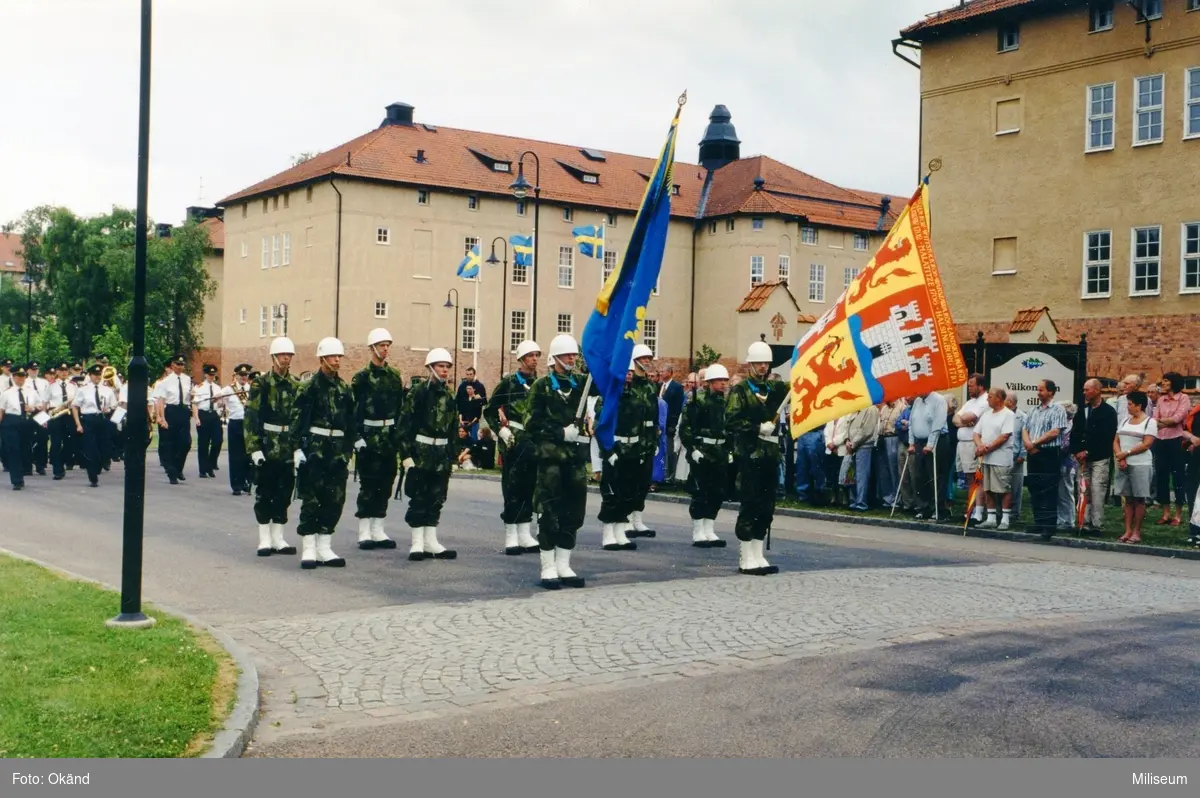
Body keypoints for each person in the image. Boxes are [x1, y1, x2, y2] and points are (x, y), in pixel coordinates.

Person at [527, 333, 594, 589]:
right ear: (555, 358)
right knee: (549, 512)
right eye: (567, 355)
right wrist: (559, 433)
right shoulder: (542, 387)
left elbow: (606, 386)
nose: (572, 358)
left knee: (573, 511)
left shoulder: (581, 384)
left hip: (574, 461)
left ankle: (564, 563)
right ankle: (548, 566)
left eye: (574, 355)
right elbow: (531, 424)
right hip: (551, 460)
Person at [292, 337, 356, 569]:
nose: (337, 360)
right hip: (316, 448)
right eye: (332, 357)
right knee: (311, 497)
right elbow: (297, 420)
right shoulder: (308, 387)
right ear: (322, 359)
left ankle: (325, 545)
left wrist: (349, 449)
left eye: (339, 357)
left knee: (335, 498)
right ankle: (309, 547)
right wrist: (297, 448)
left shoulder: (344, 388)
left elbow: (350, 422)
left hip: (337, 451)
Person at [725, 341, 788, 575]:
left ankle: (758, 553)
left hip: (770, 456)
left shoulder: (774, 389)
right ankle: (746, 555)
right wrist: (755, 427)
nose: (763, 367)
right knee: (750, 504)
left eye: (766, 363)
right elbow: (730, 420)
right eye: (758, 363)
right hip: (750, 454)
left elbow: (797, 388)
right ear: (750, 365)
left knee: (766, 506)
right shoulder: (740, 391)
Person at [398, 347, 460, 561]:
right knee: (419, 496)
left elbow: (453, 427)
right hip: (421, 452)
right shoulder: (418, 393)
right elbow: (404, 424)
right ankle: (417, 542)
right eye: (441, 366)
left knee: (436, 497)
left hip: (441, 453)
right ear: (430, 368)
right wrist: (405, 454)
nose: (444, 370)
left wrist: (453, 455)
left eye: (447, 367)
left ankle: (431, 541)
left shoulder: (450, 395)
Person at [483, 339, 542, 554]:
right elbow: (489, 410)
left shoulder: (539, 384)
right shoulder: (509, 383)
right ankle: (511, 534)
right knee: (512, 488)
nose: (534, 360)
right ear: (521, 359)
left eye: (537, 355)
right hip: (513, 441)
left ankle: (525, 532)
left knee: (529, 487)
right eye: (530, 356)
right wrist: (500, 429)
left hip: (532, 442)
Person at [350, 328, 407, 552]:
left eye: (388, 345)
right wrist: (356, 437)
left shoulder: (394, 376)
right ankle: (364, 530)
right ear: (372, 347)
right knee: (369, 484)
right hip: (369, 437)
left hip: (389, 437)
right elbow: (353, 410)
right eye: (382, 345)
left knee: (386, 483)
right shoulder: (361, 378)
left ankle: (378, 528)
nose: (385, 349)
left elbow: (400, 409)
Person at [245, 337, 300, 557]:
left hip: (287, 446)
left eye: (289, 355)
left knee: (284, 491)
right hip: (268, 444)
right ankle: (265, 538)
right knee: (265, 491)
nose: (286, 359)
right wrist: (254, 447)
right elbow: (251, 416)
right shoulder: (262, 383)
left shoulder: (296, 384)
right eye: (283, 355)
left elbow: (299, 418)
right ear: (274, 357)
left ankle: (278, 537)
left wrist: (298, 447)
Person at [595, 360, 654, 552]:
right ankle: (608, 533)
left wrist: (643, 450)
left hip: (633, 449)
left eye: (630, 372)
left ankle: (620, 533)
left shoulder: (638, 396)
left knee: (628, 492)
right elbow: (600, 427)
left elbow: (644, 425)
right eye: (625, 371)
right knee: (611, 492)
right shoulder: (608, 396)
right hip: (615, 448)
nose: (628, 375)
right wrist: (607, 451)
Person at [679, 363, 731, 547]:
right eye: (719, 380)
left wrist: (729, 450)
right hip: (702, 450)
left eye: (725, 380)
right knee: (700, 491)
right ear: (709, 382)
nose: (724, 384)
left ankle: (709, 528)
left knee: (717, 491)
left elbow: (729, 428)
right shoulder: (697, 400)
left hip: (720, 451)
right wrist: (692, 449)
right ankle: (698, 530)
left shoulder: (725, 401)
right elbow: (685, 428)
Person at [1069, 378, 1118, 535]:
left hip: (1100, 457)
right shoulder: (1082, 410)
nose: (1084, 392)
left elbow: (1106, 436)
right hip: (1082, 458)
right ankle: (1084, 522)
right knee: (1084, 490)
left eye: (1087, 389)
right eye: (1083, 390)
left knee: (1097, 489)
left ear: (1097, 390)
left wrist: (1088, 451)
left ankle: (1097, 524)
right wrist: (1077, 451)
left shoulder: (1108, 412)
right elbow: (1075, 432)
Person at [1022, 379, 1070, 539]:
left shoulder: (1058, 410)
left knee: (1048, 489)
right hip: (1033, 453)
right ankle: (1039, 522)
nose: (1038, 392)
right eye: (1038, 389)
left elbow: (1054, 432)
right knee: (1034, 488)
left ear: (1050, 391)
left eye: (1041, 390)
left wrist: (1035, 442)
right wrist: (1028, 443)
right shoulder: (1033, 410)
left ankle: (1049, 526)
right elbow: (1025, 429)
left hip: (1048, 453)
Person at [625, 343, 659, 539]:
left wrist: (654, 436)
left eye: (649, 359)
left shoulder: (649, 384)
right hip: (633, 437)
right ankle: (628, 517)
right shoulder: (630, 383)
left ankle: (638, 518)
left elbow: (653, 412)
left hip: (648, 437)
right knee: (630, 479)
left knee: (643, 480)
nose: (647, 362)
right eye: (644, 358)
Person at [1113, 391, 1157, 544]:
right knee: (1127, 498)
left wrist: (1127, 453)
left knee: (1139, 499)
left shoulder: (1149, 422)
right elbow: (1116, 440)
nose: (1128, 407)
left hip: (1140, 464)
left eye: (1130, 404)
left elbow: (1147, 443)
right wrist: (1120, 455)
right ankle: (1127, 530)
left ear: (1139, 406)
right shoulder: (1125, 420)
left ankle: (1137, 531)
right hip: (1124, 464)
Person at [973, 387, 1015, 530]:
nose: (987, 399)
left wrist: (987, 448)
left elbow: (1004, 436)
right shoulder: (986, 414)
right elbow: (976, 433)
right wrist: (980, 446)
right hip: (986, 458)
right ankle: (990, 519)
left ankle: (1005, 519)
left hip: (1001, 459)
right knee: (988, 488)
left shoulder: (1008, 414)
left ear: (999, 398)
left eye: (990, 397)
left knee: (1003, 489)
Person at [70, 363, 117, 488]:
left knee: (105, 448)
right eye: (95, 375)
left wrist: (109, 409)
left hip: (102, 419)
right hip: (88, 419)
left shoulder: (107, 390)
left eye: (99, 375)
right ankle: (93, 477)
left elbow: (113, 405)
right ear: (90, 375)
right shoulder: (83, 390)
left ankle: (99, 465)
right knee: (91, 449)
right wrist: (78, 424)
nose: (97, 377)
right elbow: (75, 406)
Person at [153, 354, 193, 485]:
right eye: (178, 364)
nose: (181, 366)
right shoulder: (165, 382)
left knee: (186, 442)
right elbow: (160, 400)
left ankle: (178, 467)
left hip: (183, 410)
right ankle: (172, 473)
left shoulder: (187, 380)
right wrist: (161, 418)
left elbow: (188, 397)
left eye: (182, 364)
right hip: (171, 411)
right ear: (172, 365)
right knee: (171, 443)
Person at [0, 364, 38, 489]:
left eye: (22, 376)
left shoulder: (31, 391)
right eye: (17, 376)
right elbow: (1, 410)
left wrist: (32, 408)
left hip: (26, 421)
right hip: (11, 421)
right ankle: (16, 480)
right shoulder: (7, 393)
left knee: (24, 449)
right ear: (13, 377)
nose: (20, 379)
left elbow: (40, 406)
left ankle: (22, 472)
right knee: (13, 450)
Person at [222, 363, 253, 496]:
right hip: (235, 424)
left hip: (248, 425)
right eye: (241, 375)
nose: (244, 377)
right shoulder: (229, 389)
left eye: (246, 375)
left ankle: (246, 481)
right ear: (236, 376)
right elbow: (218, 400)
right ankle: (236, 485)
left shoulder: (251, 389)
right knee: (235, 456)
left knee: (248, 455)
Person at [45, 362, 76, 480]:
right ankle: (57, 470)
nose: (64, 372)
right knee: (56, 443)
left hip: (69, 414)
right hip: (55, 415)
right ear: (57, 372)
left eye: (66, 370)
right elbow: (45, 402)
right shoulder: (51, 385)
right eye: (61, 370)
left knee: (71, 441)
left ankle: (63, 460)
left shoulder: (73, 385)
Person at [193, 364, 224, 479]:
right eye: (209, 375)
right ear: (205, 375)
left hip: (214, 415)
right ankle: (203, 470)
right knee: (203, 444)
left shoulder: (218, 388)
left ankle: (210, 465)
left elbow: (221, 404)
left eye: (213, 375)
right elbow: (195, 404)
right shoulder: (199, 387)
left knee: (218, 441)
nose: (211, 377)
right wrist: (196, 418)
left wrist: (220, 402)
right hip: (203, 414)